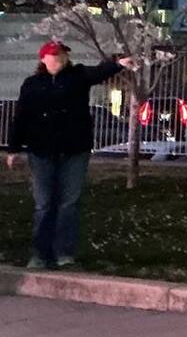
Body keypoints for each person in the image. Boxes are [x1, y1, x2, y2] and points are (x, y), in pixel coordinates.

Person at [4, 41, 135, 269]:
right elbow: (22, 116)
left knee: (69, 203)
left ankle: (64, 253)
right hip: (42, 150)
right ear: (43, 59)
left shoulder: (77, 76)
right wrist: (14, 148)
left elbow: (98, 73)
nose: (60, 60)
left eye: (63, 56)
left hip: (74, 149)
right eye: (55, 56)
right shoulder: (33, 85)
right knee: (44, 203)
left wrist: (117, 64)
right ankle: (40, 254)